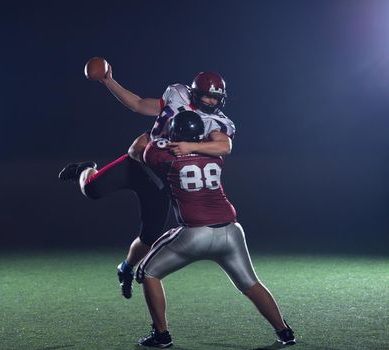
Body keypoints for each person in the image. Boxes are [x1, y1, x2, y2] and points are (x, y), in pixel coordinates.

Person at [59, 63, 235, 299]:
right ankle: (86, 168)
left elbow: (224, 146)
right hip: (138, 164)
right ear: (194, 93)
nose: (212, 103)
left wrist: (189, 147)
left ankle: (126, 267)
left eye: (216, 98)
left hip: (164, 180)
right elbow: (139, 104)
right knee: (91, 190)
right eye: (208, 97)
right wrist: (108, 81)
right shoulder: (177, 93)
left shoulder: (220, 123)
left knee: (149, 237)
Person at [136, 111, 296, 348]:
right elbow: (224, 144)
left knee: (147, 273)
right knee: (250, 283)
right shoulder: (216, 151)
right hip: (231, 232)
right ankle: (284, 332)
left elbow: (144, 149)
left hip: (195, 234)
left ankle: (161, 335)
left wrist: (165, 128)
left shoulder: (164, 155)